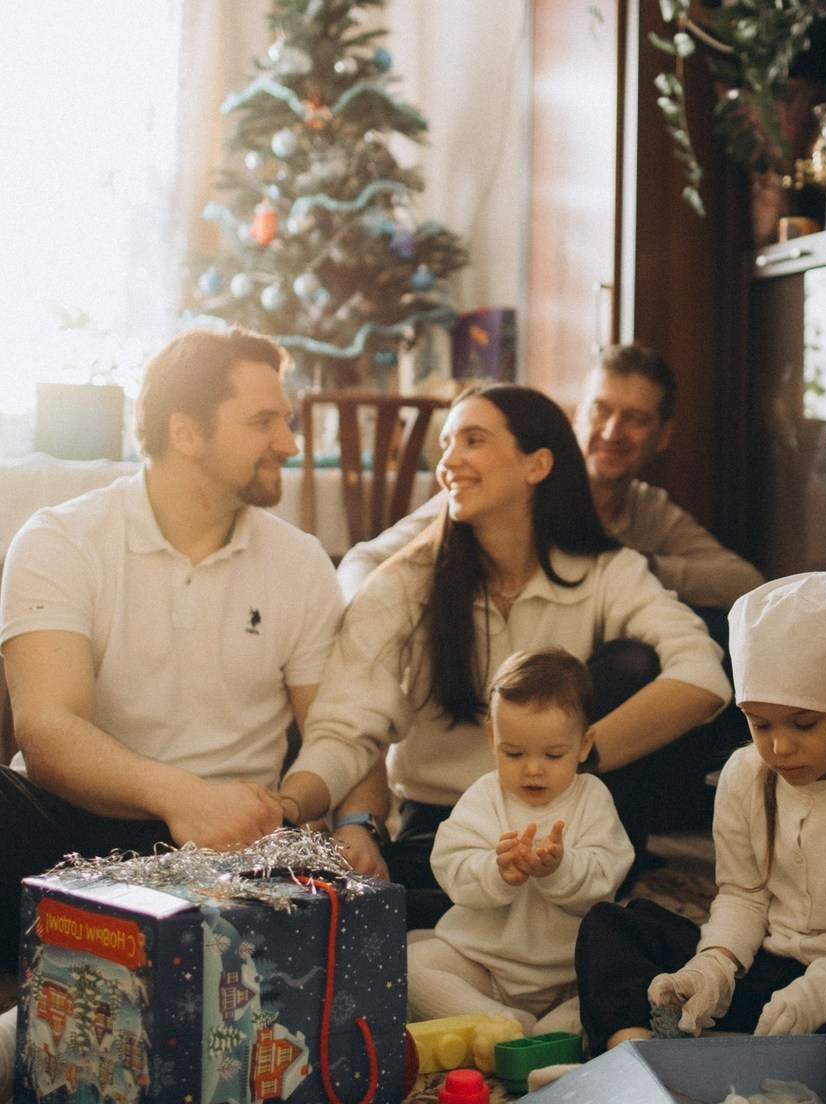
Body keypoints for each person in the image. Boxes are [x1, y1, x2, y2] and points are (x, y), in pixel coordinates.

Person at [0, 327, 348, 1095]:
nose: (290, 442)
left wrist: (353, 823)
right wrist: (178, 794)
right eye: (265, 422)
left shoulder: (299, 562)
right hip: (74, 826)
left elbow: (335, 728)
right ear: (185, 433)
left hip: (236, 845)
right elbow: (48, 730)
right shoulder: (62, 538)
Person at [289, 383, 729, 928]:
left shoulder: (604, 571)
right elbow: (348, 722)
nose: (448, 461)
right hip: (445, 824)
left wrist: (575, 757)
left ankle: (584, 893)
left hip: (568, 821)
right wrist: (335, 818)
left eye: (472, 440)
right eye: (446, 444)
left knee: (635, 663)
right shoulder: (411, 576)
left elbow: (704, 674)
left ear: (537, 465)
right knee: (365, 916)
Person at [574, 573, 826, 1102]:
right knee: (611, 926)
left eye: (804, 723)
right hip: (770, 977)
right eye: (759, 725)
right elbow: (744, 895)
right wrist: (715, 964)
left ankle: (750, 1070)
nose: (779, 747)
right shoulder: (745, 776)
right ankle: (639, 1062)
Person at [335, 344, 762, 612]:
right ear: (577, 416)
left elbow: (744, 583)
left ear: (662, 436)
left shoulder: (648, 510)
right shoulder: (506, 487)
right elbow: (362, 562)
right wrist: (377, 632)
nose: (612, 432)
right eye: (601, 410)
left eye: (634, 419)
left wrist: (628, 562)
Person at [408, 646, 632, 1035]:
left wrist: (559, 869)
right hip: (484, 964)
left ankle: (542, 1034)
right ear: (493, 738)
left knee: (619, 981)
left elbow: (606, 877)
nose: (532, 769)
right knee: (406, 966)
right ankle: (502, 1023)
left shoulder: (592, 798)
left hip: (568, 974)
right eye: (513, 753)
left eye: (553, 755)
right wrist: (496, 871)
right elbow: (451, 866)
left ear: (583, 745)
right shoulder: (483, 797)